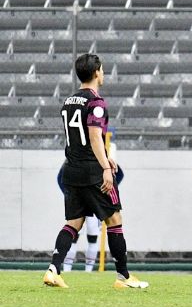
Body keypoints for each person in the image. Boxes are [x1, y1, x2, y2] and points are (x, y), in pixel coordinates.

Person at [42, 53, 148, 289]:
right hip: (92, 172)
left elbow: (82, 139)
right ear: (97, 72)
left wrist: (106, 155)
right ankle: (123, 277)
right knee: (115, 219)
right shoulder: (96, 103)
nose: (103, 73)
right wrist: (105, 167)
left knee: (73, 222)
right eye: (102, 69)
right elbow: (93, 136)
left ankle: (53, 270)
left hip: (71, 169)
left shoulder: (69, 101)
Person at [57, 157, 124, 272]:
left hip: (94, 201)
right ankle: (66, 268)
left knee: (92, 236)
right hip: (80, 200)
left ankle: (88, 270)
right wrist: (69, 193)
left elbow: (119, 173)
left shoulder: (99, 158)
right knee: (73, 234)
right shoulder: (73, 160)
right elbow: (60, 178)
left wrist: (105, 188)